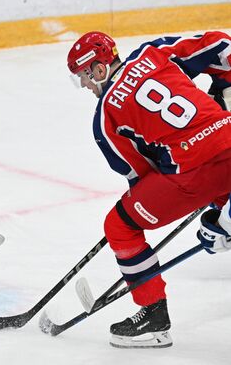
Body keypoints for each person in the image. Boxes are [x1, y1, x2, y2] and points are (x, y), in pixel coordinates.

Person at [66, 31, 231, 348]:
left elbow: (141, 175)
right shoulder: (152, 52)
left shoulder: (105, 117)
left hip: (192, 174)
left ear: (99, 69)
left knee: (120, 226)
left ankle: (153, 315)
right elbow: (217, 43)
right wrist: (224, 87)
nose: (86, 85)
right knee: (223, 211)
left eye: (84, 76)